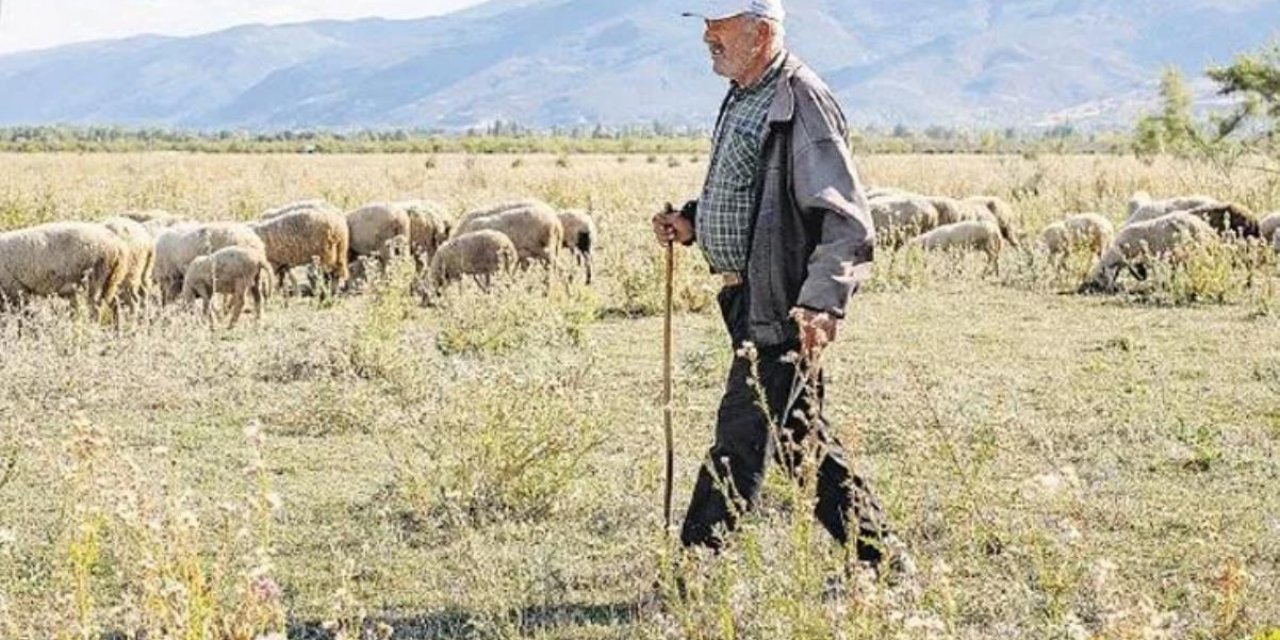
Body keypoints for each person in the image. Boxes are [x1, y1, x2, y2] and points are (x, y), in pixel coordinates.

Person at [651, 0, 910, 573]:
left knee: (740, 433)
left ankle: (697, 570)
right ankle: (882, 561)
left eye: (717, 27)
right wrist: (695, 221)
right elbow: (755, 193)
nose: (707, 38)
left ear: (760, 31)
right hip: (747, 297)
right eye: (705, 27)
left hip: (783, 304)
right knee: (800, 440)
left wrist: (822, 301)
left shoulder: (801, 99)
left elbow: (845, 219)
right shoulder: (746, 93)